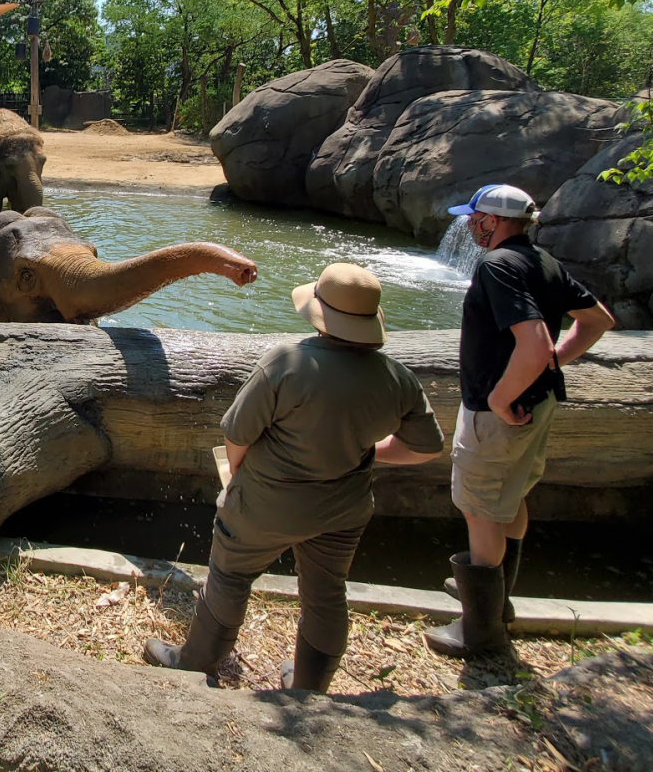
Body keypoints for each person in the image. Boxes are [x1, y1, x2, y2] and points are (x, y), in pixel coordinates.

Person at [143, 262, 445, 692]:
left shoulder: (287, 362)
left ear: (319, 314)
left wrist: (239, 478)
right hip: (343, 510)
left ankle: (195, 664)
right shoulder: (398, 377)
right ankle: (308, 686)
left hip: (266, 504)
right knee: (326, 594)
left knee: (229, 576)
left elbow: (237, 433)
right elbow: (426, 447)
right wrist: (367, 451)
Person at [426, 184, 615, 658]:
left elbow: (532, 345)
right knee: (510, 496)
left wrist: (502, 395)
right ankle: (498, 599)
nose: (470, 226)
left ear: (492, 221)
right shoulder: (542, 261)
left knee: (480, 507)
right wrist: (554, 364)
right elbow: (597, 321)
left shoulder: (496, 265)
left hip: (501, 413)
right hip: (541, 402)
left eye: (476, 218)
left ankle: (480, 631)